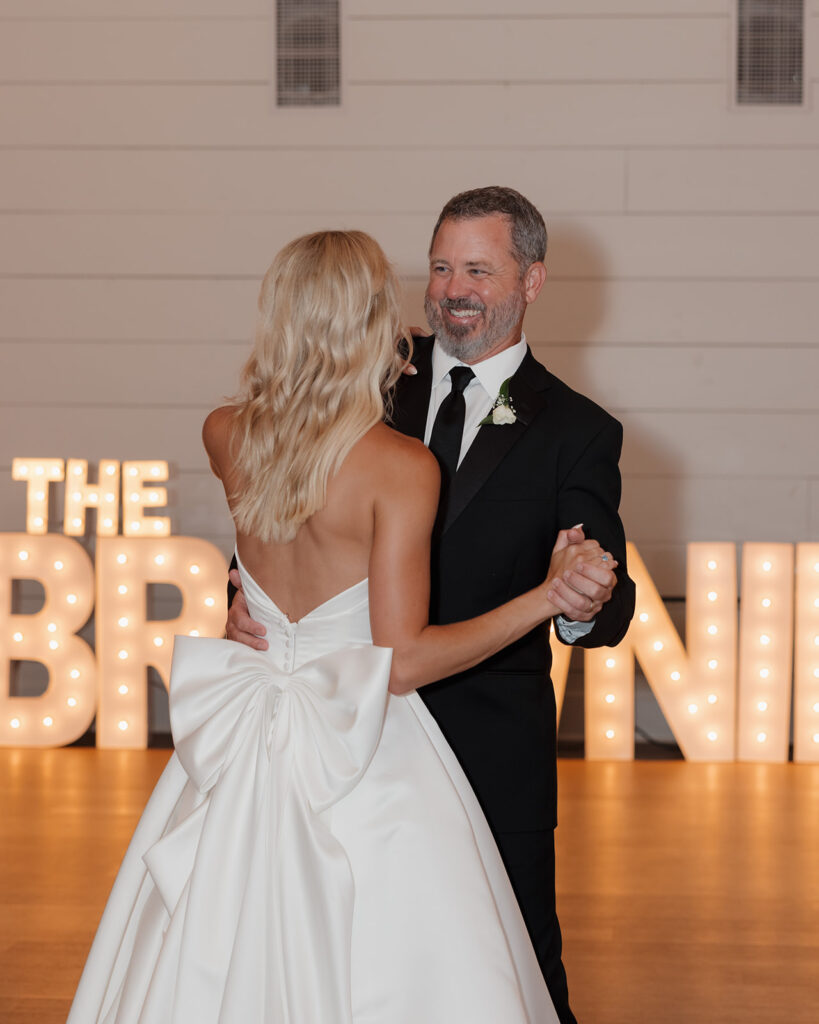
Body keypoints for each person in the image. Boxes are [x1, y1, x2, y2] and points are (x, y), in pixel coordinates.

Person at [67, 229, 617, 1023]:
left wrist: (248, 596)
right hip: (367, 744)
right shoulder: (398, 467)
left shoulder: (225, 433)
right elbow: (396, 663)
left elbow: (270, 555)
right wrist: (544, 597)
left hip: (249, 728)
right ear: (370, 324)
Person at [228, 189, 636, 1023]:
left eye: (478, 270)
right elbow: (273, 498)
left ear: (531, 281)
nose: (453, 288)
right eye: (442, 266)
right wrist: (238, 594)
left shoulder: (575, 429)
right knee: (343, 966)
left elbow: (606, 592)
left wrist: (586, 596)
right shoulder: (364, 373)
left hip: (491, 754)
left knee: (507, 977)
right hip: (345, 745)